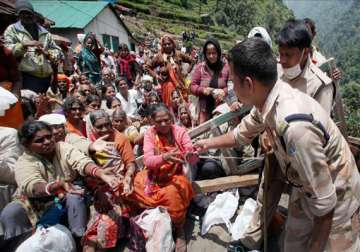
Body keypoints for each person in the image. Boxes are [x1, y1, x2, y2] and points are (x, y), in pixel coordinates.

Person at [196, 38, 360, 252]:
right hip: (306, 185)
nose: (232, 88)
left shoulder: (295, 127)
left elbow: (325, 205)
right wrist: (205, 143)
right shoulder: (267, 98)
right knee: (292, 243)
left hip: (336, 193)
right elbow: (240, 135)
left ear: (248, 83)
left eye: (233, 82)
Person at [0, 121, 120, 247]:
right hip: (39, 200)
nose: (47, 141)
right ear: (27, 145)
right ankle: (22, 245)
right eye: (40, 140)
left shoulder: (62, 147)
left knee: (75, 197)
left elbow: (80, 161)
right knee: (11, 212)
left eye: (49, 136)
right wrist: (56, 185)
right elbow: (32, 185)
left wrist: (100, 173)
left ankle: (78, 240)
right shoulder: (23, 162)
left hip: (68, 193)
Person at [128, 103, 197, 252]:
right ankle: (142, 220)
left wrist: (191, 155)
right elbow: (148, 161)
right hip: (153, 177)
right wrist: (165, 157)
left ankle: (179, 231)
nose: (164, 124)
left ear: (171, 118)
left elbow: (190, 152)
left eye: (167, 119)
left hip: (174, 176)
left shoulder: (179, 131)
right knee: (129, 187)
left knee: (174, 194)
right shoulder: (149, 133)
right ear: (152, 122)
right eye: (159, 121)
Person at [82, 109, 136, 251]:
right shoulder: (88, 144)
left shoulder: (120, 138)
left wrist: (128, 178)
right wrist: (98, 191)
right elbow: (87, 172)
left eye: (107, 124)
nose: (105, 129)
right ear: (92, 127)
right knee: (92, 228)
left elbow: (130, 163)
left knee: (108, 222)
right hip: (98, 188)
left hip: (120, 184)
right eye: (99, 127)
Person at [277, 19, 334, 115]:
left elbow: (319, 128)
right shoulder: (276, 71)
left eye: (288, 55)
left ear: (305, 52)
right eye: (280, 54)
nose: (282, 60)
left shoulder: (320, 86)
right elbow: (257, 116)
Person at [4, 0, 62, 94]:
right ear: (18, 16)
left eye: (28, 13)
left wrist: (47, 53)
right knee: (31, 105)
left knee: (46, 105)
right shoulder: (12, 30)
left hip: (47, 77)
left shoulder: (45, 32)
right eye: (22, 14)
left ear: (33, 14)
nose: (26, 16)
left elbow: (58, 52)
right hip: (27, 77)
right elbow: (7, 50)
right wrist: (23, 45)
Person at [190, 37, 229, 123]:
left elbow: (231, 85)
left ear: (218, 53)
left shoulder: (226, 67)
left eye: (214, 53)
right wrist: (203, 90)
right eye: (208, 53)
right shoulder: (200, 67)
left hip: (221, 108)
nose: (211, 56)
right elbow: (192, 86)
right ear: (205, 54)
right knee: (204, 133)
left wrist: (224, 92)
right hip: (204, 109)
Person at [145, 35, 193, 101]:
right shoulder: (159, 56)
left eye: (169, 44)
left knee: (183, 105)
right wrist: (156, 76)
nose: (167, 46)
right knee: (171, 106)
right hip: (167, 85)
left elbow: (192, 61)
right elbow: (147, 66)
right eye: (165, 44)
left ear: (172, 44)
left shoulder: (178, 54)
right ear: (162, 45)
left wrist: (187, 72)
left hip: (181, 83)